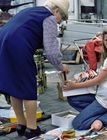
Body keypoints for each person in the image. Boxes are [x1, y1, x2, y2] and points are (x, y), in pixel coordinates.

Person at [0, 0, 69, 139]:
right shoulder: (49, 18)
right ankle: (32, 129)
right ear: (56, 11)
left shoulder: (31, 11)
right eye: (62, 18)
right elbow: (51, 52)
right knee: (29, 88)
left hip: (3, 42)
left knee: (16, 86)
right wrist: (61, 66)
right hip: (18, 47)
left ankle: (21, 124)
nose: (60, 22)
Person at [63, 27, 107, 131]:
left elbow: (98, 80)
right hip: (105, 96)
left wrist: (74, 85)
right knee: (73, 99)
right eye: (106, 40)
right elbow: (102, 77)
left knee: (77, 124)